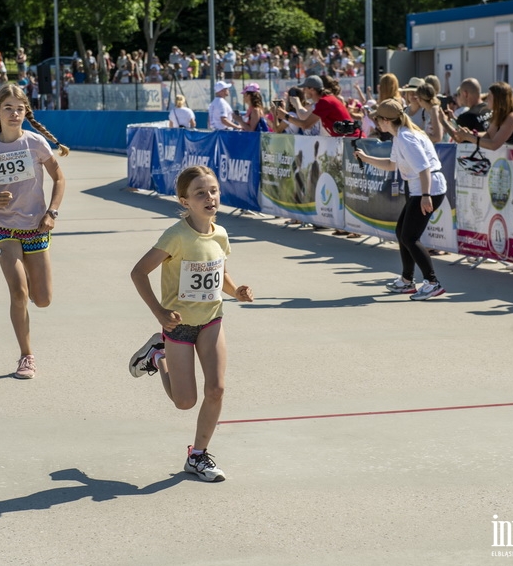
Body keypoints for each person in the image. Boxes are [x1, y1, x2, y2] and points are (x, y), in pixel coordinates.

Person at [129, 165, 254, 482]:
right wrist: (159, 313)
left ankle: (198, 455)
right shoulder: (176, 236)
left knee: (217, 389)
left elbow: (220, 274)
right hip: (178, 327)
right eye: (200, 193)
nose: (209, 197)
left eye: (213, 191)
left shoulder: (221, 234)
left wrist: (235, 290)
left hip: (212, 320)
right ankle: (158, 357)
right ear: (185, 201)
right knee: (185, 402)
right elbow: (138, 272)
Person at [0, 84, 67, 379]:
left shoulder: (36, 144)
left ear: (26, 112)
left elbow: (59, 179)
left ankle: (31, 291)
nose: (13, 114)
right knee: (18, 291)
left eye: (19, 108)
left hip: (36, 227)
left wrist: (52, 213)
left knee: (43, 298)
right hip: (3, 227)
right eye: (7, 108)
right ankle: (26, 356)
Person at [354, 99, 448, 301]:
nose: (376, 123)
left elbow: (424, 168)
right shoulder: (400, 136)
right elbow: (391, 164)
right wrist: (366, 158)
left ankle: (432, 283)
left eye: (377, 119)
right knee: (402, 232)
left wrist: (425, 196)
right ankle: (407, 281)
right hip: (421, 188)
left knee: (410, 237)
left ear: (386, 120)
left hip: (428, 189)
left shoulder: (406, 138)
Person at [451, 82, 513, 149]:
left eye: (489, 97)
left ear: (498, 100)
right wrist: (471, 133)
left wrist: (468, 137)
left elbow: (494, 145)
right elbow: (489, 135)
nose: (486, 100)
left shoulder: (512, 117)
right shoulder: (498, 114)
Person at [279, 75, 351, 136]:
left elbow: (305, 125)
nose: (303, 91)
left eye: (305, 88)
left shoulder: (324, 101)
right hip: (347, 139)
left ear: (312, 89)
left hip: (350, 140)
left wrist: (285, 116)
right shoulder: (324, 100)